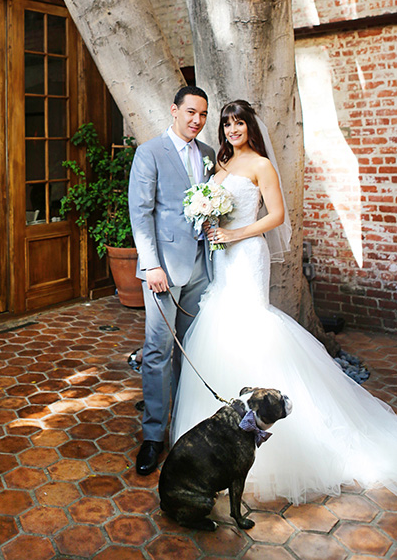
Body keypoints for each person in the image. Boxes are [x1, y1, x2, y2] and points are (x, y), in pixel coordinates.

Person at [170, 99, 397, 504]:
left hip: (247, 256)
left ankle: (272, 435)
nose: (232, 130)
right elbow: (217, 211)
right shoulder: (220, 165)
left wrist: (236, 235)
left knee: (251, 325)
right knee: (221, 327)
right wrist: (209, 220)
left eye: (238, 123)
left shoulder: (260, 165)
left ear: (250, 127)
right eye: (226, 124)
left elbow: (276, 216)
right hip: (223, 258)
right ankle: (220, 439)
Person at [128, 85, 216, 475]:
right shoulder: (150, 153)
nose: (196, 120)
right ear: (174, 111)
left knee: (191, 347)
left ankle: (183, 424)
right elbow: (140, 213)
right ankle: (152, 436)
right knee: (159, 350)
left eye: (202, 115)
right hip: (163, 268)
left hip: (202, 266)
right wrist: (151, 266)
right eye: (191, 112)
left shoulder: (210, 155)